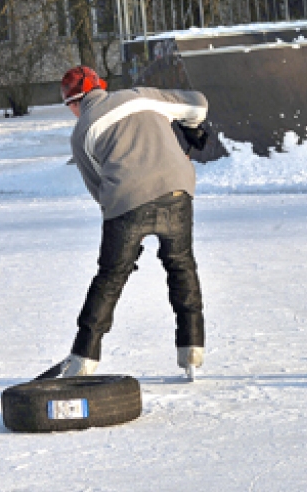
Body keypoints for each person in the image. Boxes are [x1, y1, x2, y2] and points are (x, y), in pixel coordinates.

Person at [48, 65, 210, 380]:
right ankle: (192, 347)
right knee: (182, 266)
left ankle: (85, 354)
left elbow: (99, 188)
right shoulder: (142, 97)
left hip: (126, 201)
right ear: (100, 87)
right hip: (177, 187)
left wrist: (121, 236)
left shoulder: (84, 131)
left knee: (110, 276)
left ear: (74, 102)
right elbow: (199, 104)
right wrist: (192, 128)